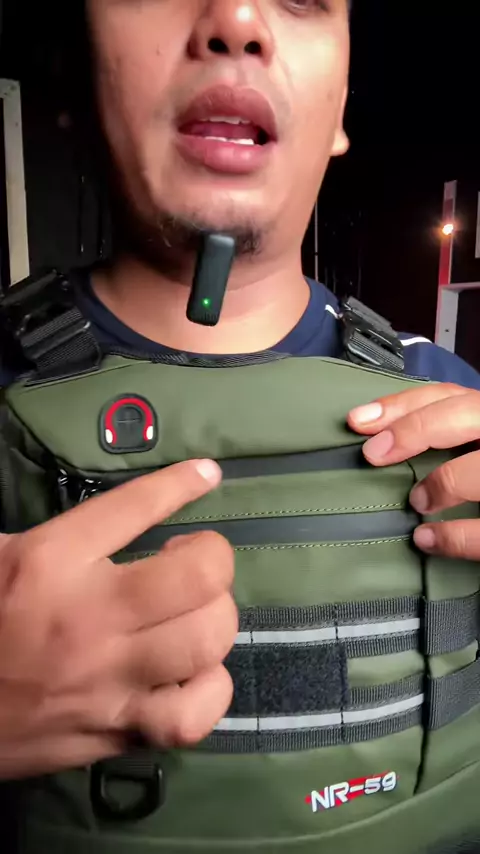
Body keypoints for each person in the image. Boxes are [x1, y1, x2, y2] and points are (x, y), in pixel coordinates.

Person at [1, 0, 480, 836]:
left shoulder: (456, 399)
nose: (237, 18)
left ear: (339, 109)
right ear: (75, 75)